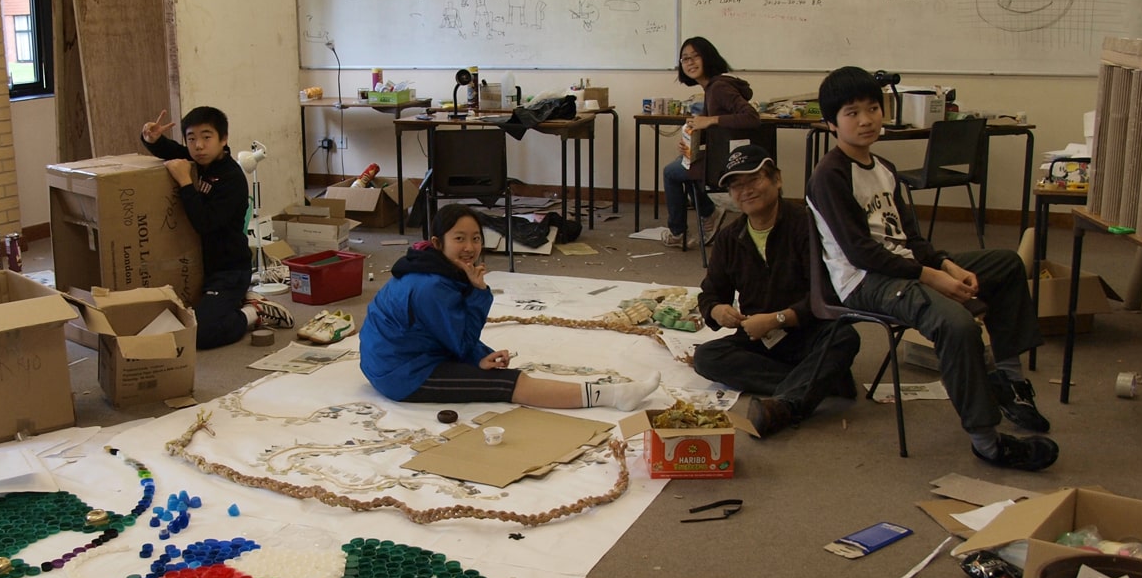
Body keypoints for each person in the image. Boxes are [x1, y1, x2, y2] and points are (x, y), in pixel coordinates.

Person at [805, 66, 1057, 471]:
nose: (866, 120)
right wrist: (931, 276)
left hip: (903, 268)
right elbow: (861, 252)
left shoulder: (884, 168)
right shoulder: (829, 175)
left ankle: (1008, 382)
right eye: (852, 113)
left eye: (873, 109)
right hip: (865, 281)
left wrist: (945, 264)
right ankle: (987, 442)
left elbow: (912, 239)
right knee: (955, 323)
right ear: (831, 123)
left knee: (1006, 264)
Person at [361, 204, 660, 409]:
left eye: (476, 238)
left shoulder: (431, 265)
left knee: (490, 369)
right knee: (507, 384)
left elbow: (450, 332)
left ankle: (609, 394)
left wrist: (479, 355)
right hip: (401, 374)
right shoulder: (431, 286)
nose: (470, 247)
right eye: (459, 239)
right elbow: (460, 341)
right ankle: (612, 396)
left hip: (403, 356)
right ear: (438, 243)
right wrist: (479, 293)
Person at [693, 144, 862, 438]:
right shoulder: (730, 238)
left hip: (807, 330)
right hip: (761, 338)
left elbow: (828, 294)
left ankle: (787, 403)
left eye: (754, 180)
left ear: (777, 179)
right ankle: (820, 380)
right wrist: (717, 310)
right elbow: (711, 293)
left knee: (845, 337)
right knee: (706, 357)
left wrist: (778, 319)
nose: (745, 191)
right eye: (736, 185)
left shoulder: (807, 226)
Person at [140, 106, 292, 348]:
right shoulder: (197, 161)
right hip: (198, 267)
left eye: (206, 137)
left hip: (228, 271)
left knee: (202, 334)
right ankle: (233, 302)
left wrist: (185, 182)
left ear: (223, 139)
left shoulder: (232, 178)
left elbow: (205, 223)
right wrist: (152, 139)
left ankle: (254, 311)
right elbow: (170, 150)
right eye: (191, 138)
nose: (199, 146)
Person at [663, 36, 760, 249]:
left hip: (725, 160)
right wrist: (691, 141)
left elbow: (751, 117)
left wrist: (710, 120)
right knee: (685, 161)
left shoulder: (719, 88)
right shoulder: (712, 88)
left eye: (695, 56)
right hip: (722, 154)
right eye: (685, 58)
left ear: (708, 57)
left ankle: (679, 231)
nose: (690, 62)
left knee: (671, 173)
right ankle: (709, 213)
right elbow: (719, 131)